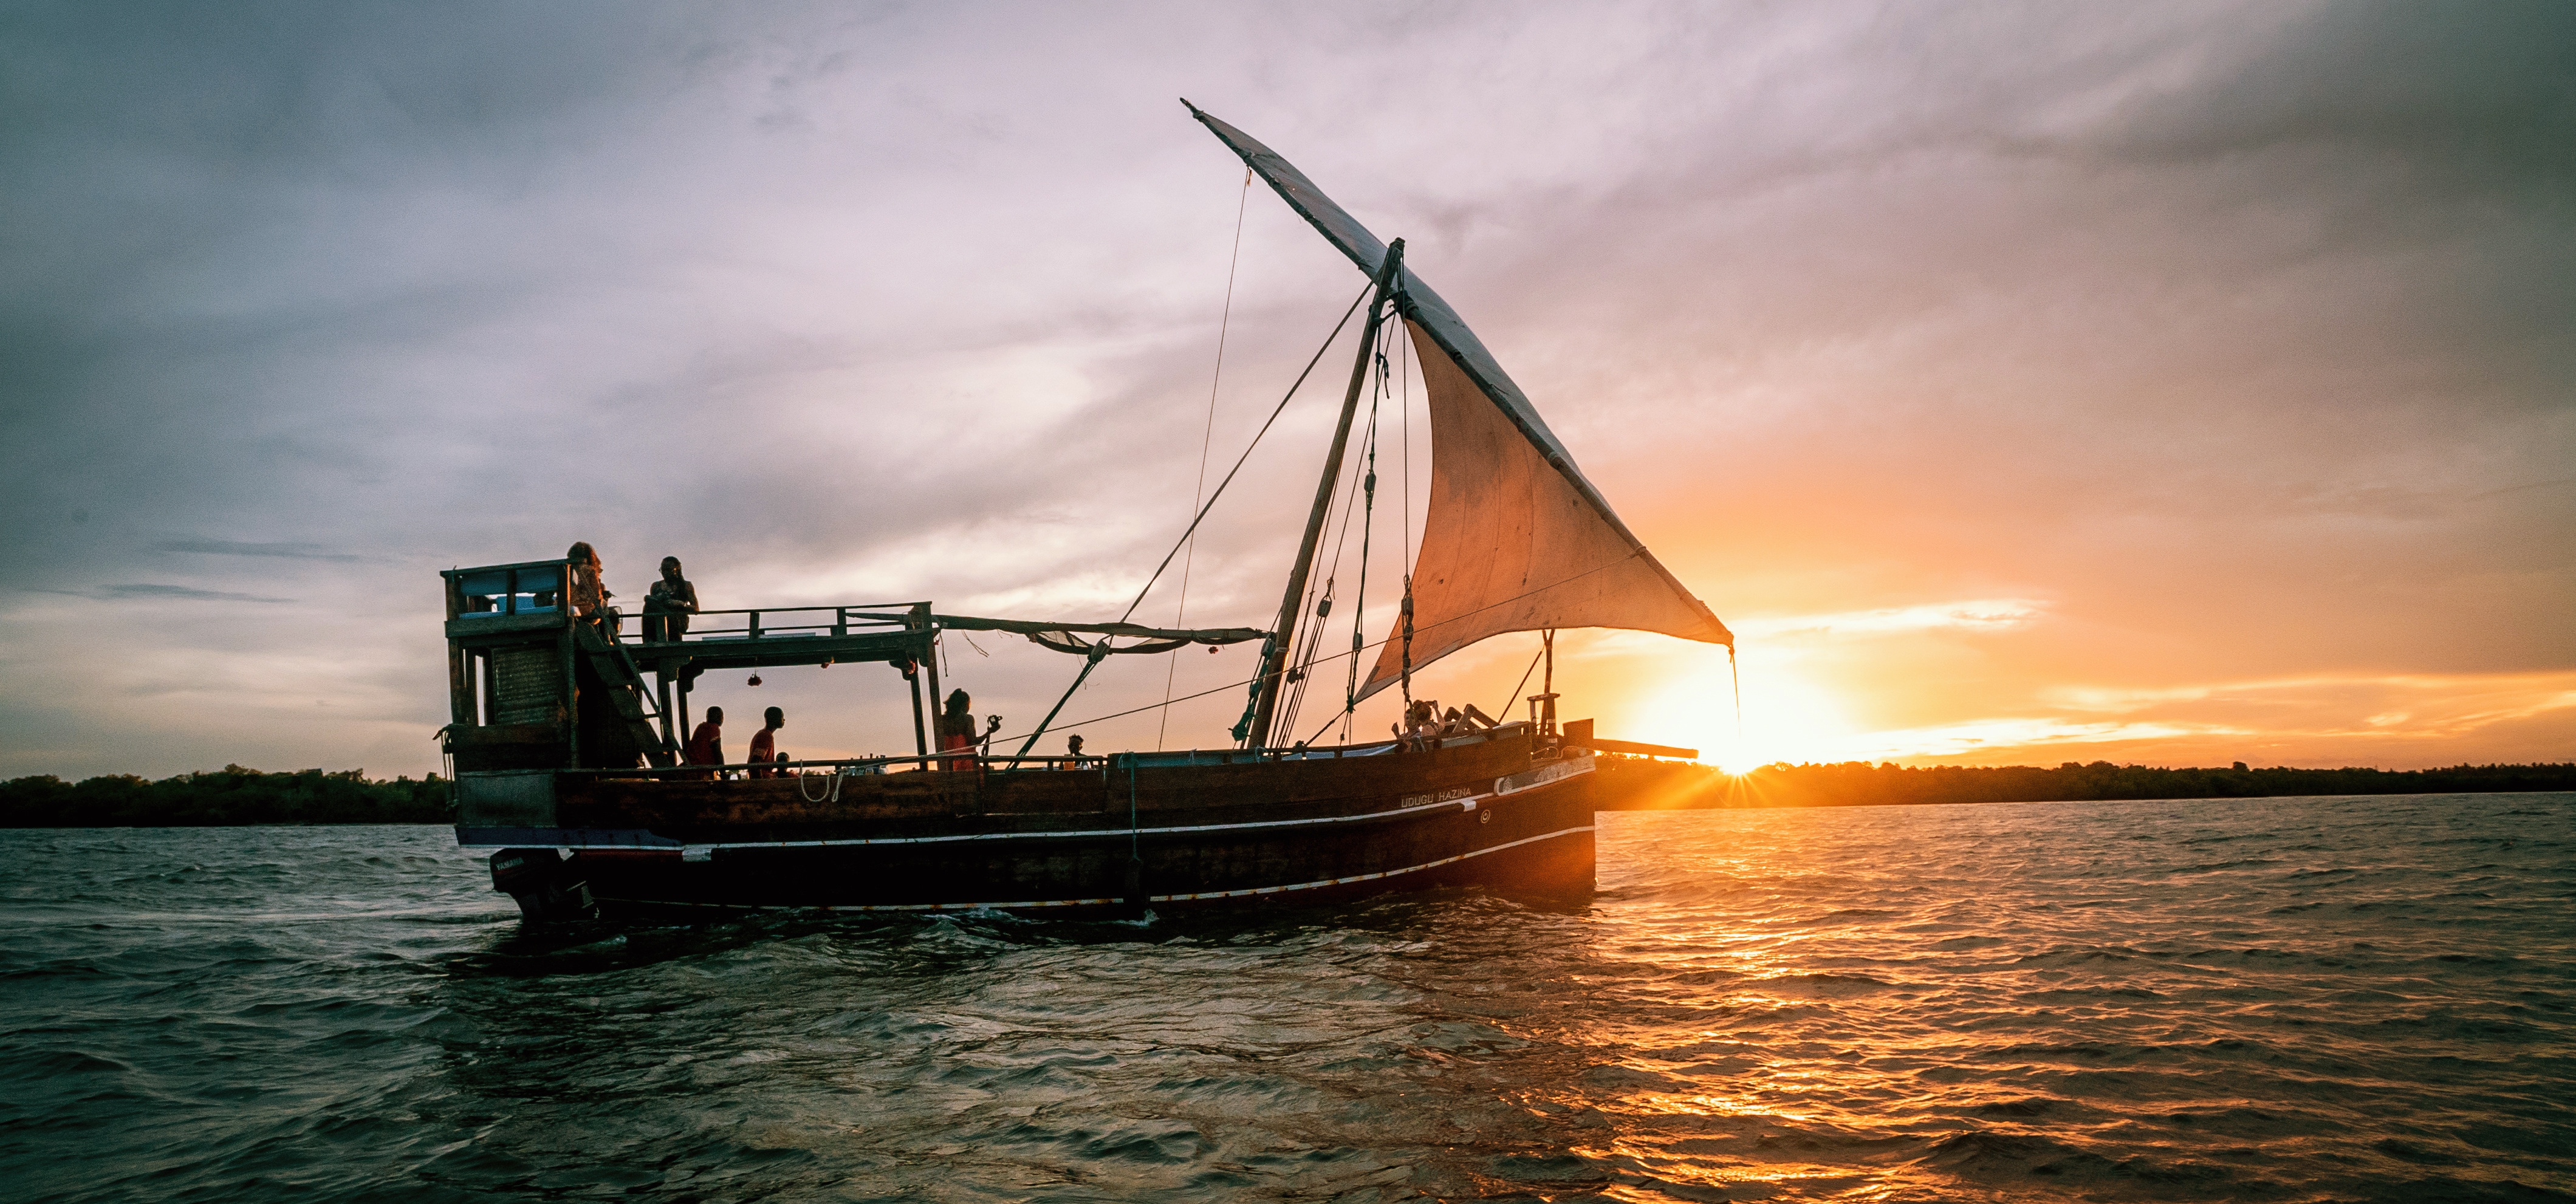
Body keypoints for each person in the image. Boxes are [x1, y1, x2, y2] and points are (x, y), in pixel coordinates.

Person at [564, 541, 619, 641]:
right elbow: (596, 595)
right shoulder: (590, 571)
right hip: (586, 612)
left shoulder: (565, 570)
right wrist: (604, 597)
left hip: (566, 609)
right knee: (606, 608)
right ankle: (608, 639)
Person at [643, 556, 698, 643]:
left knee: (652, 605)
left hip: (677, 621)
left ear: (676, 569)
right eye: (662, 570)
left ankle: (648, 639)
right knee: (649, 604)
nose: (664, 573)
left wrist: (680, 603)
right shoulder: (656, 586)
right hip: (658, 621)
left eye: (668, 570)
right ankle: (648, 640)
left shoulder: (686, 586)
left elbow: (696, 609)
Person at [937, 689, 979, 771]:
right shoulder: (968, 719)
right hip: (967, 765)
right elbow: (974, 742)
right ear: (964, 704)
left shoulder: (942, 720)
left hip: (947, 765)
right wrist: (989, 732)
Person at [685, 706, 724, 779]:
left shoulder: (701, 727)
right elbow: (717, 751)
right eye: (721, 716)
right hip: (701, 768)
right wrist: (723, 772)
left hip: (693, 766)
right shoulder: (713, 728)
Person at [748, 706, 784, 779]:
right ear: (775, 719)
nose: (784, 720)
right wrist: (761, 783)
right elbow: (756, 761)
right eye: (782, 717)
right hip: (763, 778)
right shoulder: (766, 735)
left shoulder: (762, 734)